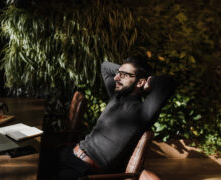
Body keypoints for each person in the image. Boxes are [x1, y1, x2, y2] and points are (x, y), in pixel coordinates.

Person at [39, 56, 176, 180]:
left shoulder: (144, 111)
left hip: (82, 170)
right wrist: (125, 72)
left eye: (123, 75)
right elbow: (105, 66)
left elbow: (168, 83)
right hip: (69, 154)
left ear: (140, 83)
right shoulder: (116, 96)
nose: (116, 78)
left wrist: (149, 81)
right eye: (118, 74)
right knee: (26, 158)